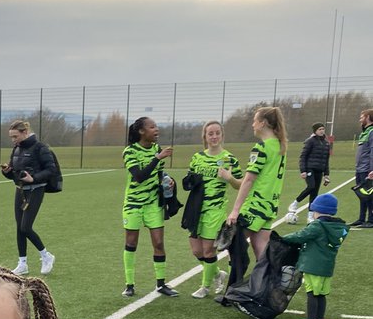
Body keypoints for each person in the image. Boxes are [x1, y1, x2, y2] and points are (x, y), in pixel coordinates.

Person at [181, 121, 242, 298]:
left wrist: (229, 178)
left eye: (217, 133)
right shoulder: (197, 157)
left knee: (208, 250)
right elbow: (190, 179)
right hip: (196, 209)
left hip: (215, 210)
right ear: (205, 137)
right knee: (196, 251)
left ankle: (205, 287)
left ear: (222, 135)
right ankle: (217, 274)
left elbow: (240, 184)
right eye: (210, 134)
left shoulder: (230, 159)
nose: (214, 137)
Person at [121, 115, 178, 297]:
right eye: (152, 127)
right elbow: (139, 176)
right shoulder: (130, 151)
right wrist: (157, 158)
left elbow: (160, 174)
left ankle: (161, 284)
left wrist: (168, 182)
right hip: (134, 204)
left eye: (156, 126)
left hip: (153, 203)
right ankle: (129, 284)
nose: (156, 130)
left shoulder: (156, 148)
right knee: (131, 242)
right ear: (141, 131)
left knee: (159, 242)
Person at [225, 106, 288, 260]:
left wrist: (235, 210)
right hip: (270, 205)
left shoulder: (261, 147)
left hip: (255, 205)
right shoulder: (280, 147)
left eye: (255, 121)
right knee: (260, 250)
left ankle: (236, 282)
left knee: (232, 242)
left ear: (263, 123)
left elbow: (249, 180)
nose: (253, 124)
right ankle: (272, 282)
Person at [279, 193, 349, 319]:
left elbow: (301, 236)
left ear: (317, 211)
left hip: (313, 266)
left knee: (311, 293)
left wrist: (283, 238)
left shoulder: (317, 226)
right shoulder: (338, 228)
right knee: (321, 294)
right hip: (327, 267)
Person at [0, 119, 57, 276]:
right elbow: (14, 174)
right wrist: (7, 171)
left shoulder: (40, 148)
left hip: (35, 190)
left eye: (15, 136)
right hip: (20, 190)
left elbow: (51, 170)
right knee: (19, 228)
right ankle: (22, 263)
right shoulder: (16, 149)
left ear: (25, 132)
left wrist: (34, 178)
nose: (13, 140)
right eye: (11, 137)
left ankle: (46, 256)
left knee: (25, 227)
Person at [286, 124, 330, 222]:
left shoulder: (327, 143)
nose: (322, 131)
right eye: (319, 129)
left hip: (320, 170)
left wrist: (326, 174)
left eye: (323, 129)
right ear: (315, 131)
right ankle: (295, 203)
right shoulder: (310, 141)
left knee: (314, 193)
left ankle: (310, 216)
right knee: (311, 186)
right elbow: (303, 157)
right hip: (310, 169)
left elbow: (326, 160)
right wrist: (303, 171)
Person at [349, 107, 373, 228]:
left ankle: (371, 220)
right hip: (360, 169)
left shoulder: (371, 131)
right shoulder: (364, 131)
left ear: (368, 117)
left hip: (367, 170)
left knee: (369, 195)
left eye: (362, 117)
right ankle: (361, 219)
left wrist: (372, 169)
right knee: (362, 195)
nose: (360, 119)